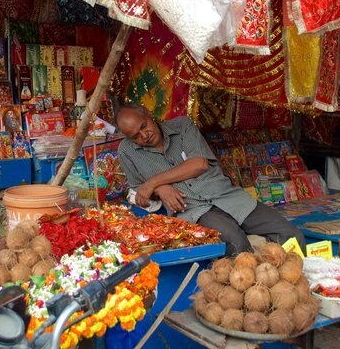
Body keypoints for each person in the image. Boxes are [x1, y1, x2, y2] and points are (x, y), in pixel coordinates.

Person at [115, 104, 305, 255]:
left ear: (148, 115)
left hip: (227, 196)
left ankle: (298, 289)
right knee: (237, 244)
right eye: (136, 137)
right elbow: (137, 192)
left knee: (291, 235)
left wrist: (153, 182)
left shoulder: (182, 126)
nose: (144, 136)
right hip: (193, 210)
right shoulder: (126, 151)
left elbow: (198, 164)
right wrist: (160, 189)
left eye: (144, 126)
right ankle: (252, 298)